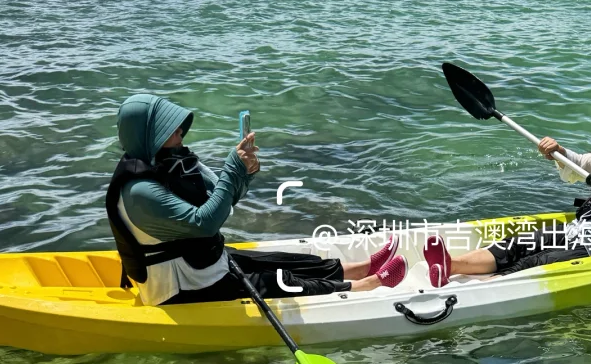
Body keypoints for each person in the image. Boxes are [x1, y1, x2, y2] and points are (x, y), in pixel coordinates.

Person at [106, 94, 405, 306]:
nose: (180, 130)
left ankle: (361, 266)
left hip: (201, 263)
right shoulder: (140, 192)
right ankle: (363, 286)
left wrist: (244, 174)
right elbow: (205, 224)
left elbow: (225, 200)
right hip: (180, 285)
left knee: (282, 261)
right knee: (278, 281)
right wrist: (231, 169)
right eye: (170, 127)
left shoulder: (175, 162)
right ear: (148, 136)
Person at [422, 84, 591, 286]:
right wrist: (559, 151)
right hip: (579, 229)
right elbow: (579, 164)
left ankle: (480, 291)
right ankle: (448, 265)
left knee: (535, 263)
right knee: (518, 243)